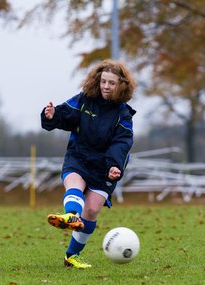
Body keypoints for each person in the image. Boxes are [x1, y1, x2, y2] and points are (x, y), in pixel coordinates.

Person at [41, 59, 136, 269]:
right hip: (78, 157)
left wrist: (114, 166)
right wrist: (52, 115)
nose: (106, 86)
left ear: (121, 85)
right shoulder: (84, 100)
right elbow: (66, 115)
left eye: (111, 83)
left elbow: (121, 144)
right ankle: (71, 216)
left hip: (105, 168)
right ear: (97, 81)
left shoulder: (123, 114)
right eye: (103, 81)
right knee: (75, 184)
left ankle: (71, 256)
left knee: (92, 210)